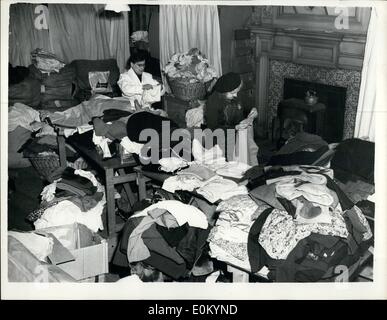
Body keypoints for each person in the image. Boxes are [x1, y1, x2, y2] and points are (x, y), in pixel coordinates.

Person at [204, 72, 259, 165]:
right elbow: (213, 128)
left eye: (237, 91)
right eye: (233, 93)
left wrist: (253, 110)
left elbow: (247, 105)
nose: (236, 95)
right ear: (223, 92)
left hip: (238, 135)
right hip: (219, 140)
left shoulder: (236, 94)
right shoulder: (212, 103)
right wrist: (235, 128)